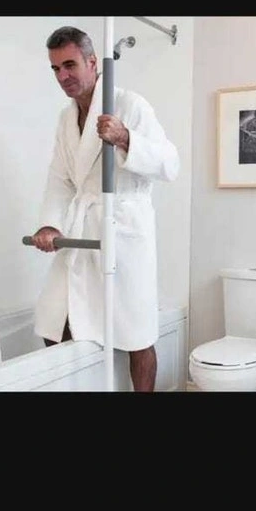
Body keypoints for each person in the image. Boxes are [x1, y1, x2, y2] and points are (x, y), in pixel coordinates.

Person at [30, 26, 180, 393]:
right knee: (54, 321)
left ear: (93, 62)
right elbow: (60, 178)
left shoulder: (130, 104)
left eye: (70, 65)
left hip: (125, 230)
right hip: (84, 231)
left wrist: (126, 138)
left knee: (136, 334)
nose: (62, 76)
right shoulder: (66, 118)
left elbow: (170, 164)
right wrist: (50, 224)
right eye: (55, 69)